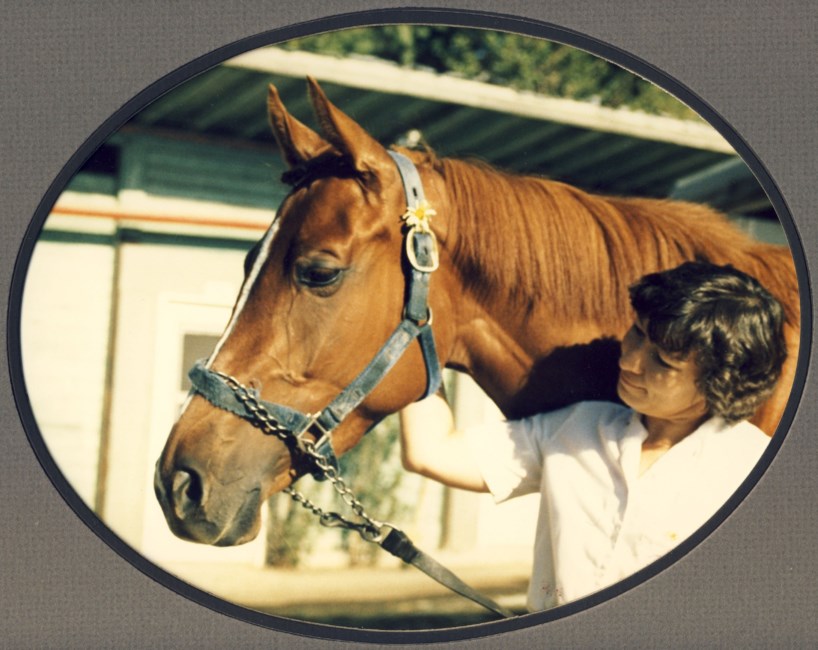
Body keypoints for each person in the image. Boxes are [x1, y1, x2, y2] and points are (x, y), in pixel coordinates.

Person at [399, 261, 787, 611]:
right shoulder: (577, 428)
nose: (629, 360)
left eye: (663, 361)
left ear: (719, 384)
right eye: (638, 333)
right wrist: (416, 332)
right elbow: (431, 452)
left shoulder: (753, 471)